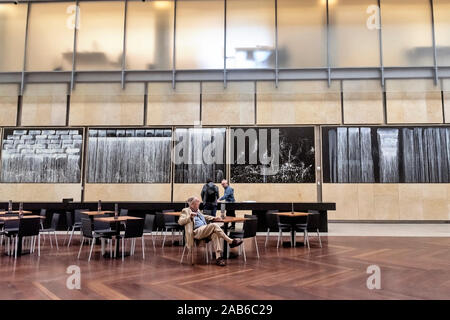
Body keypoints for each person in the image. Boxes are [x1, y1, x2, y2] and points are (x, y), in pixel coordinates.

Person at [178, 196, 242, 266]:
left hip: (204, 229)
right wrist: (189, 217)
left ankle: (219, 258)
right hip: (196, 232)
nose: (199, 204)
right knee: (213, 225)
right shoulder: (186, 211)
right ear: (192, 205)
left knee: (215, 234)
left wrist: (214, 218)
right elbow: (180, 222)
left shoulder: (197, 210)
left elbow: (204, 216)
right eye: (197, 203)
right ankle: (230, 241)